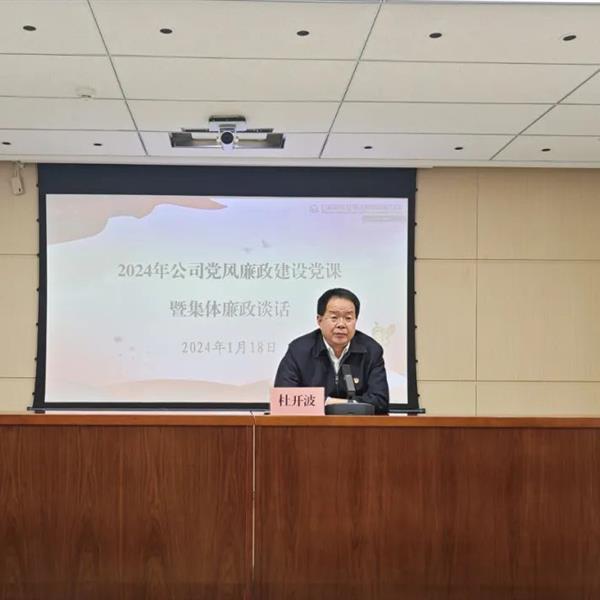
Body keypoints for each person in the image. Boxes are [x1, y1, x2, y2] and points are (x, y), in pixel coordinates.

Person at [274, 288, 389, 414]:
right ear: (319, 320)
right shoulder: (299, 350)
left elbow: (380, 402)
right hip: (311, 424)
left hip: (357, 425)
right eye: (334, 317)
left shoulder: (371, 351)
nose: (341, 324)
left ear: (356, 320)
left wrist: (329, 403)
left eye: (348, 318)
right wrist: (340, 404)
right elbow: (284, 398)